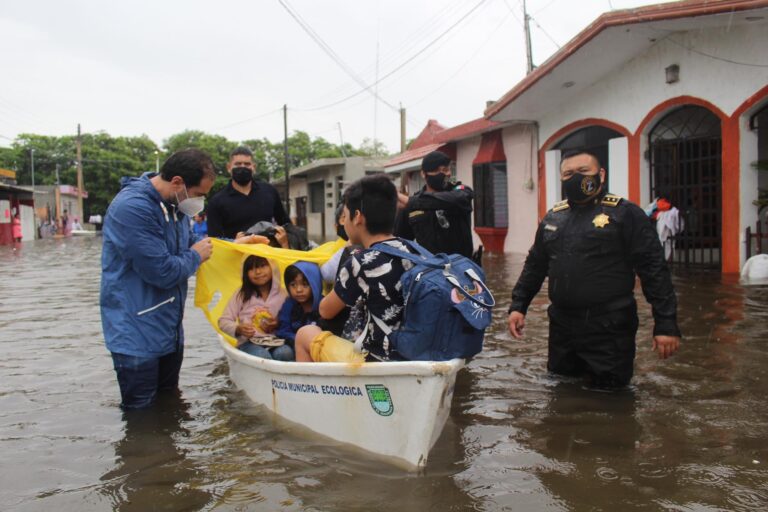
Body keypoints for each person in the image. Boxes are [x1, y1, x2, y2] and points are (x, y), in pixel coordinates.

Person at [507, 150, 681, 389]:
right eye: (568, 173)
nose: (576, 178)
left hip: (609, 328)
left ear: (601, 174)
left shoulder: (625, 213)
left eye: (583, 172)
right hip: (562, 327)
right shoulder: (554, 218)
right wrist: (519, 305)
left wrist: (666, 324)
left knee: (611, 399)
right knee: (561, 390)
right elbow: (536, 264)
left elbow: (653, 269)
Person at [100, 148, 216, 409]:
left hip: (169, 329)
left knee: (169, 404)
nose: (200, 202)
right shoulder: (132, 208)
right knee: (141, 417)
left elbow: (193, 244)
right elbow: (162, 271)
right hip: (136, 335)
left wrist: (235, 244)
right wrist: (196, 257)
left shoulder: (174, 206)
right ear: (177, 183)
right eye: (199, 194)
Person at [294, 174, 418, 363]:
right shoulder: (415, 251)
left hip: (376, 357)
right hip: (413, 351)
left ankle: (314, 392)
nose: (344, 221)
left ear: (357, 217)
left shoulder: (359, 261)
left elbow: (326, 311)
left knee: (305, 333)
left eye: (345, 215)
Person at [394, 150, 475, 258]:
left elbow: (457, 199)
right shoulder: (412, 206)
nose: (446, 174)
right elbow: (400, 241)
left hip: (462, 268)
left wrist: (410, 201)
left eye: (447, 170)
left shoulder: (460, 192)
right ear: (424, 173)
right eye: (440, 171)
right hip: (430, 270)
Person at [218, 255, 293, 360]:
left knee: (286, 353)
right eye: (251, 268)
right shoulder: (241, 294)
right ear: (245, 273)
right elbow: (223, 321)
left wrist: (278, 323)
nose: (258, 272)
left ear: (273, 267)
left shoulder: (284, 295)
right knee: (262, 356)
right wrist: (238, 329)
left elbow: (292, 320)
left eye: (262, 266)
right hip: (248, 342)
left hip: (276, 341)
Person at [207, 146, 289, 239]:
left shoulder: (269, 191)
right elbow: (215, 240)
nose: (243, 167)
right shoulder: (216, 202)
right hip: (236, 252)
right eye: (238, 164)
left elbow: (286, 224)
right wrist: (235, 241)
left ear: (253, 167)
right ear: (229, 167)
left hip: (267, 251)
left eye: (247, 164)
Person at [275, 262, 322, 349]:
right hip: (294, 347)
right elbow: (283, 331)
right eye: (293, 285)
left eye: (304, 284)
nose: (299, 290)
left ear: (315, 284)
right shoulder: (289, 305)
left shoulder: (323, 306)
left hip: (319, 348)